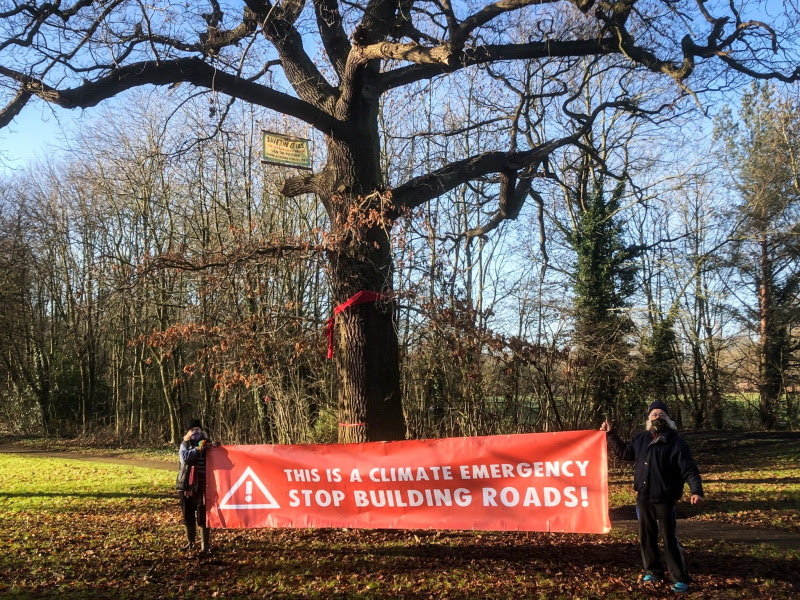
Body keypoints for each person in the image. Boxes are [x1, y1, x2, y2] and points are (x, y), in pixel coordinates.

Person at [601, 401, 704, 594]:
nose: (658, 417)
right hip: (644, 497)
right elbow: (625, 453)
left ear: (668, 419)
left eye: (661, 414)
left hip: (665, 498)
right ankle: (653, 572)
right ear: (649, 418)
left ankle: (680, 578)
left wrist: (696, 491)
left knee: (669, 538)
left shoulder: (676, 443)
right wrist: (610, 434)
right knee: (647, 537)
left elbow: (689, 469)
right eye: (654, 414)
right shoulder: (640, 439)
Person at [176, 419, 211, 554]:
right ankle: (190, 543)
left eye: (197, 429)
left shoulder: (209, 445)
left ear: (201, 431)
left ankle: (205, 545)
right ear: (188, 432)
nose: (195, 432)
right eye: (192, 430)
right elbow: (185, 458)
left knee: (203, 515)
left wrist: (216, 447)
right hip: (186, 486)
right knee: (188, 515)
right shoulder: (184, 445)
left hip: (203, 486)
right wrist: (198, 449)